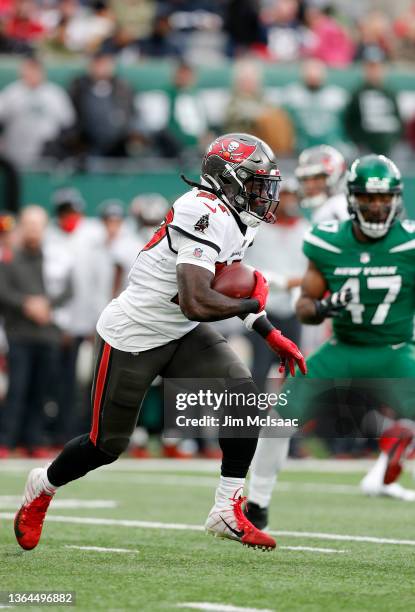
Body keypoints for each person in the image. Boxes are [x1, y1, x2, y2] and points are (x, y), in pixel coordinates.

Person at [14, 133, 306, 552]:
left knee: (243, 394)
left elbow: (220, 291)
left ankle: (226, 507)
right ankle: (42, 486)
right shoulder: (201, 210)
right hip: (136, 333)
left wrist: (268, 332)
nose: (264, 194)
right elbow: (196, 300)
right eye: (256, 183)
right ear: (227, 179)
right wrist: (253, 300)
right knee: (105, 446)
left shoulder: (237, 217)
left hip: (181, 331)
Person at [246, 154, 415, 531]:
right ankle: (256, 502)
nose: (375, 206)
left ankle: (390, 459)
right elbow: (305, 307)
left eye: (383, 198)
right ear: (352, 199)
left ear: (395, 199)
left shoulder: (410, 243)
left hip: (395, 351)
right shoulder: (327, 241)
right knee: (277, 420)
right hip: (343, 349)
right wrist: (322, 307)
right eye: (368, 198)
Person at [0, 206, 73, 457]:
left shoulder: (54, 258)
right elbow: (3, 291)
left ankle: (34, 441)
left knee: (42, 390)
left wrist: (46, 305)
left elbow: (68, 289)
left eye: (37, 225)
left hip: (47, 335)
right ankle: (7, 441)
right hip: (19, 334)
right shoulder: (9, 258)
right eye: (28, 224)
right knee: (17, 389)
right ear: (21, 226)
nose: (33, 229)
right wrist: (27, 304)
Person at [0, 56, 75, 167]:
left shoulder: (55, 94)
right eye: (28, 70)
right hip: (16, 156)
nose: (32, 74)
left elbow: (68, 123)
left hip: (47, 158)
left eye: (35, 70)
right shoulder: (11, 93)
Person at [69, 51, 135, 157]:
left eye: (106, 64)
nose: (102, 68)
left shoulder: (123, 87)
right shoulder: (79, 86)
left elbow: (130, 113)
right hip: (87, 141)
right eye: (99, 64)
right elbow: (73, 115)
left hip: (119, 142)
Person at [344, 46, 402, 156]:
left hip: (389, 146)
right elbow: (350, 121)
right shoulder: (357, 93)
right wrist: (359, 142)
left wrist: (393, 140)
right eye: (370, 66)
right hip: (365, 148)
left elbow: (398, 120)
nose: (374, 70)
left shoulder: (390, 92)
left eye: (377, 66)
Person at [295, 144, 348, 223]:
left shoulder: (339, 208)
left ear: (336, 175)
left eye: (317, 178)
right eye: (305, 179)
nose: (310, 185)